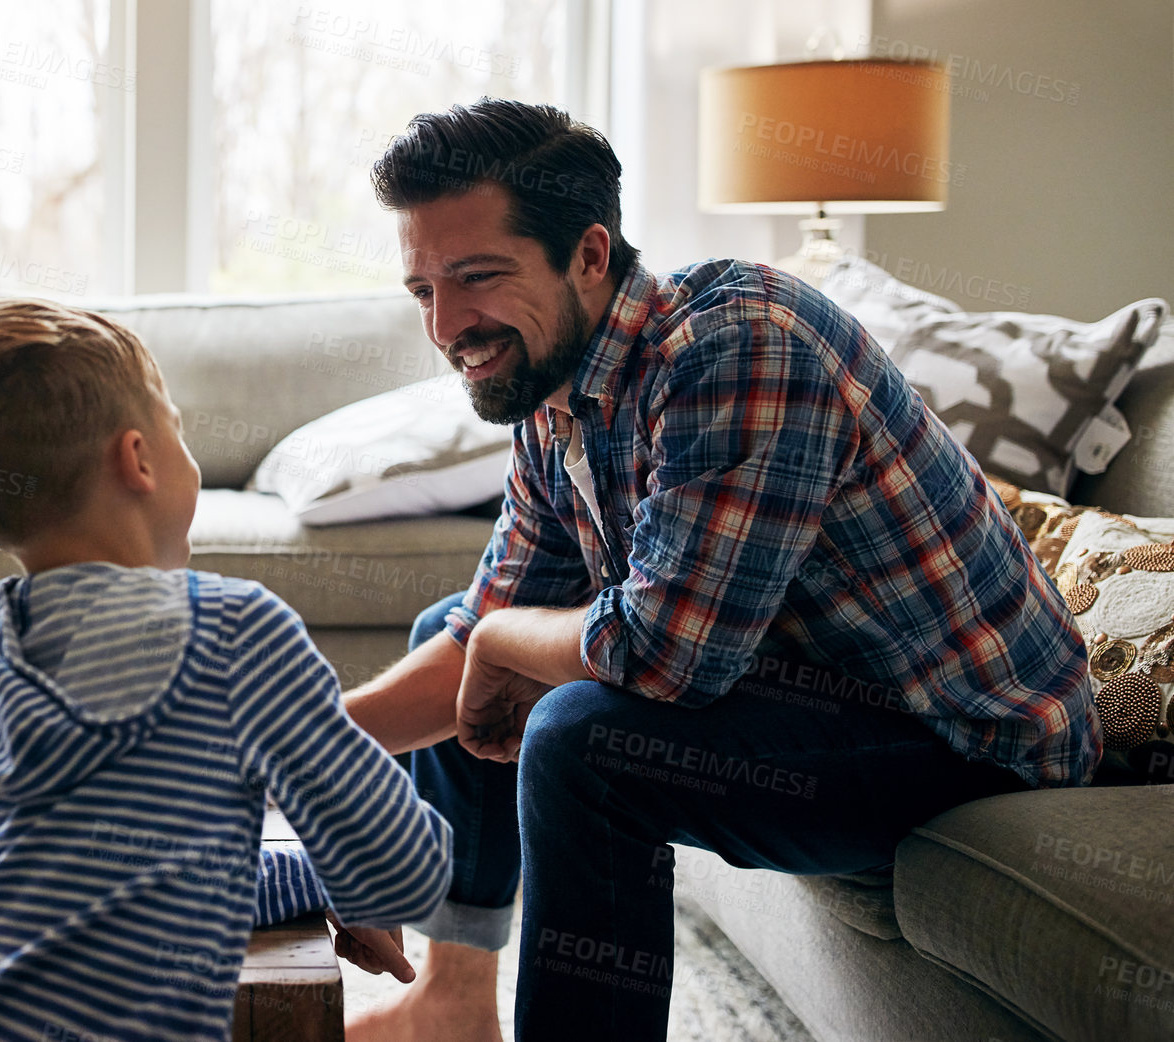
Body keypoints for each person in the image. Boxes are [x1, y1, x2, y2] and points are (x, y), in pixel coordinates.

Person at [337, 98, 1099, 1041]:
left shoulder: (737, 345)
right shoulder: (548, 387)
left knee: (584, 738)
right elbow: (490, 618)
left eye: (477, 277)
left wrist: (499, 639)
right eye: (423, 292)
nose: (449, 325)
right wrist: (303, 756)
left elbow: (664, 657)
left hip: (957, 734)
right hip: (798, 685)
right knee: (452, 633)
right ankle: (451, 1004)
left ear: (588, 254)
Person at [0, 298, 452, 1042]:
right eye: (180, 430)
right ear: (139, 459)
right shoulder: (237, 629)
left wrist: (314, 881)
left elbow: (102, 887)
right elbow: (405, 869)